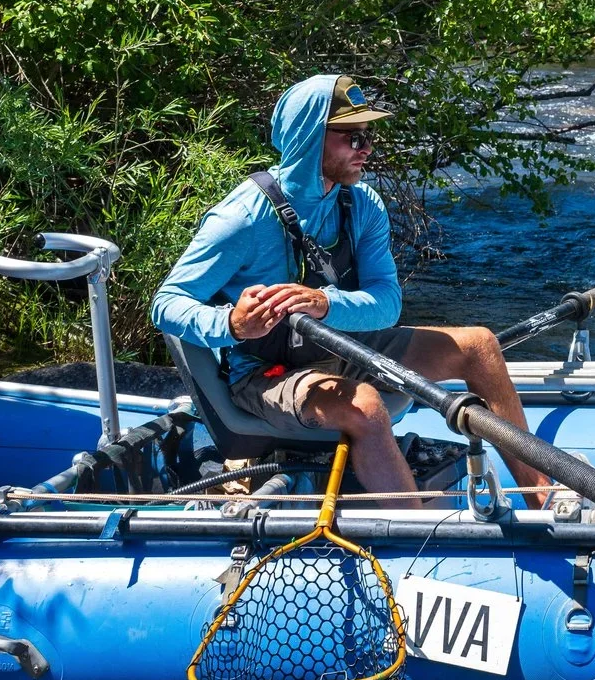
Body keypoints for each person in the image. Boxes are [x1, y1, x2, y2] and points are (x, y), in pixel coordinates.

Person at [151, 74, 539, 508]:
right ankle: (412, 538)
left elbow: (387, 303)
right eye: (352, 138)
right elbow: (166, 304)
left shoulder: (362, 205)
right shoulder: (241, 218)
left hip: (347, 347)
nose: (366, 149)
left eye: (367, 136)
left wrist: (326, 304)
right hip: (265, 374)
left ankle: (543, 500)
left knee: (480, 345)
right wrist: (232, 324)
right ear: (310, 137)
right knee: (366, 404)